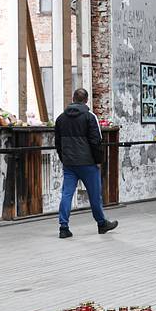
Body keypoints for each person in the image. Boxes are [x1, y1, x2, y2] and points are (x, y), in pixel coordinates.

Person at [54, 88, 118, 239]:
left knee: (67, 194)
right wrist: (98, 161)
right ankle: (102, 224)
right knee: (95, 196)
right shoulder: (90, 117)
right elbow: (96, 141)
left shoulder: (60, 118)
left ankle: (64, 227)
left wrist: (64, 159)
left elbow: (57, 143)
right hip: (87, 163)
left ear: (73, 99)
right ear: (86, 100)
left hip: (69, 163)